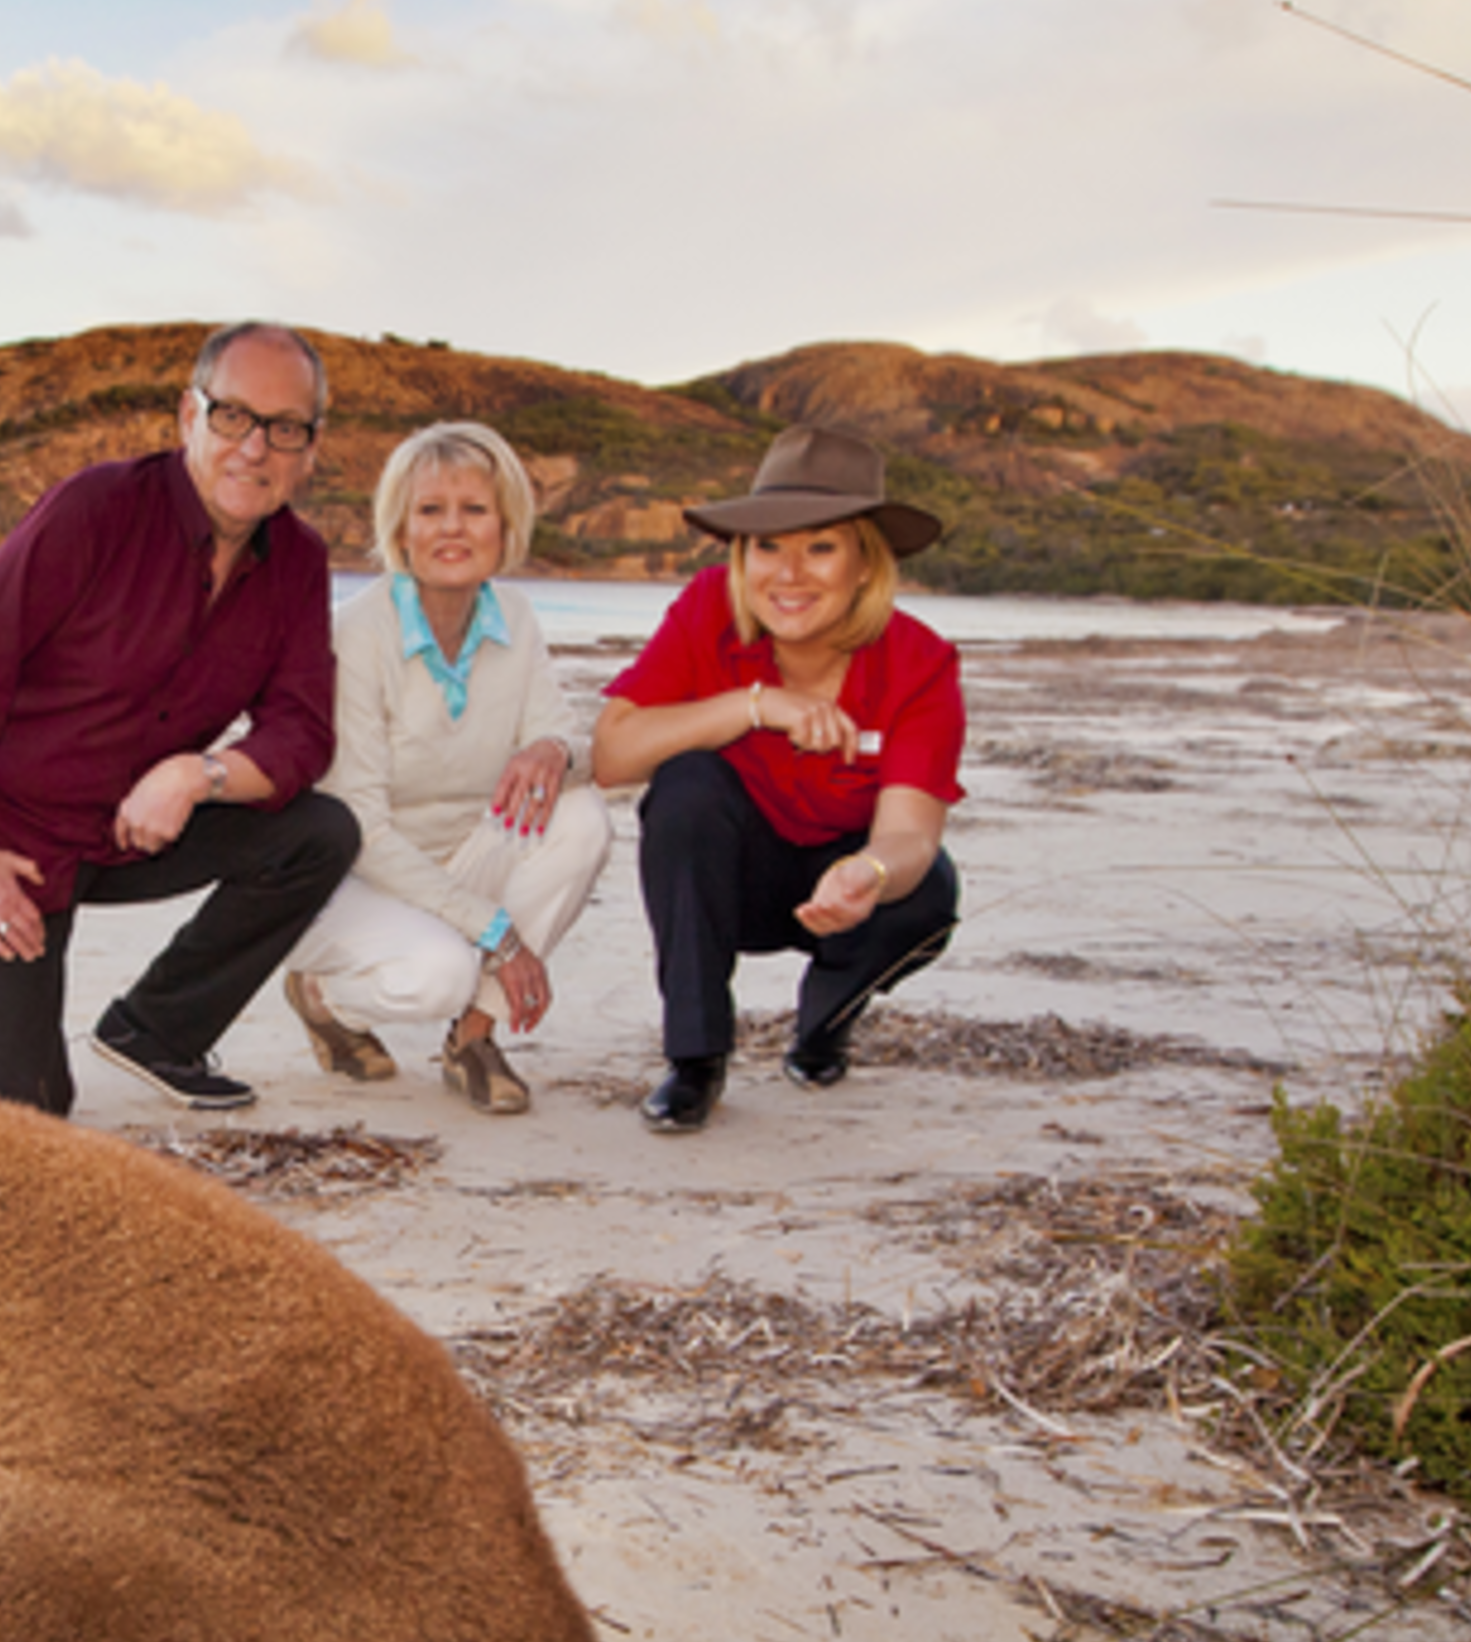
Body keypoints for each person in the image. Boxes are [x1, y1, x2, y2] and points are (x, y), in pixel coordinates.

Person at [0, 322, 357, 1116]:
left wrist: (196, 774)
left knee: (317, 836)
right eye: (234, 417)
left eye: (285, 429)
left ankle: (158, 1030)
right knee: (23, 1109)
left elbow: (302, 730)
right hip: (2, 836)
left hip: (127, 831)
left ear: (310, 449)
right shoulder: (98, 508)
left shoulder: (300, 562)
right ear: (189, 417)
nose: (256, 448)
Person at [589, 423, 963, 1133]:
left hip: (843, 887)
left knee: (931, 891)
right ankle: (695, 1059)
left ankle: (826, 1023)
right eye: (768, 546)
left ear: (863, 564)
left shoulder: (921, 662)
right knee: (687, 785)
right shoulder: (707, 609)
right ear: (741, 554)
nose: (787, 575)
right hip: (736, 881)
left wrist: (870, 874)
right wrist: (751, 707)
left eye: (820, 547)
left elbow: (911, 830)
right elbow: (613, 755)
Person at [276, 420, 610, 1114]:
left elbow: (562, 733)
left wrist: (554, 748)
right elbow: (360, 826)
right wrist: (497, 932)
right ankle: (320, 993)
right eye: (431, 510)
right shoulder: (357, 635)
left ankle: (476, 1036)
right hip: (358, 878)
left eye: (474, 510)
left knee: (582, 820)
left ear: (504, 524)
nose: (452, 529)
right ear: (400, 529)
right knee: (439, 975)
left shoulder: (514, 615)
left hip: (460, 858)